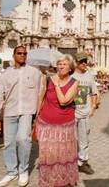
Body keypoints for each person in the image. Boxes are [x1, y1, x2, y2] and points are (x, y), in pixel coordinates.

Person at [0, 46, 41, 187]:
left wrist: (37, 115)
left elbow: (40, 93)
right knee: (9, 143)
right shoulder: (6, 74)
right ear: (14, 55)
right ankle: (11, 171)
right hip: (10, 112)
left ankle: (23, 170)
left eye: (24, 54)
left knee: (23, 139)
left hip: (27, 111)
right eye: (19, 53)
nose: (22, 56)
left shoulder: (35, 72)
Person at [36, 54, 79, 187]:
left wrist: (57, 85)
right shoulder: (48, 79)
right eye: (59, 64)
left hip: (65, 125)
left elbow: (64, 100)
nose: (61, 66)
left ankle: (64, 180)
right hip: (46, 122)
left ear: (70, 67)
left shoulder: (74, 82)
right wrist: (36, 117)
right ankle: (49, 180)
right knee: (48, 153)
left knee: (64, 154)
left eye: (64, 64)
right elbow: (41, 97)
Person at [72, 52, 98, 175]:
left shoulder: (89, 76)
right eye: (81, 61)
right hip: (71, 113)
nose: (83, 63)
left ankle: (83, 162)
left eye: (85, 61)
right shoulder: (70, 75)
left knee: (84, 139)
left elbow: (94, 93)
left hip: (84, 113)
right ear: (76, 62)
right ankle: (70, 162)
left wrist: (92, 107)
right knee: (70, 139)